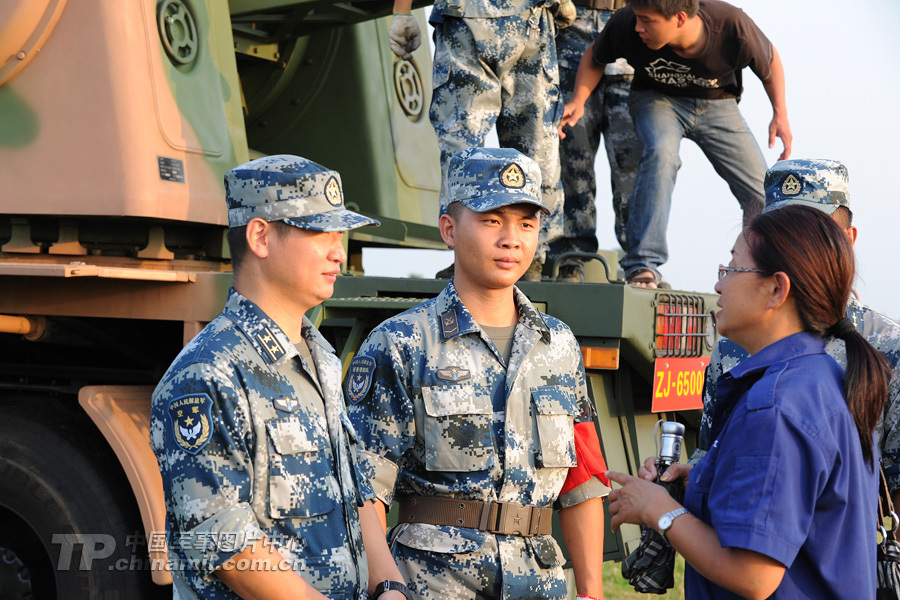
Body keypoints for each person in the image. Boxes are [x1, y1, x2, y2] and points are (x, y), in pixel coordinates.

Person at [346, 147, 610, 600]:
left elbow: (581, 480)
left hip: (540, 585)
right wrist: (386, 586)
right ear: (449, 229)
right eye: (492, 220)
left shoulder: (559, 345)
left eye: (527, 223)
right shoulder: (403, 341)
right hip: (432, 585)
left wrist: (590, 591)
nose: (512, 239)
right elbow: (363, 488)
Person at [150, 155, 408, 600]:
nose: (338, 252)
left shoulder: (319, 356)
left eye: (339, 235)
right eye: (319, 232)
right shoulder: (206, 373)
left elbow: (353, 495)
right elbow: (227, 547)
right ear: (261, 236)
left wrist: (389, 587)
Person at [605, 204, 890, 599]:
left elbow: (754, 576)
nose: (719, 285)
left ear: (776, 289)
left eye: (733, 269)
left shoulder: (777, 405)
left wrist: (659, 510)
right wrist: (701, 481)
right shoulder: (819, 379)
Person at [691, 159, 900, 504]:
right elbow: (710, 452)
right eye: (780, 232)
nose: (793, 246)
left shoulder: (887, 346)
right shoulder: (734, 345)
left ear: (847, 240)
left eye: (810, 232)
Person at [560, 0, 792, 288]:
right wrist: (578, 101)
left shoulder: (731, 25)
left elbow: (769, 62)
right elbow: (595, 56)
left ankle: (758, 269)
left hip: (717, 105)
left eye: (647, 21)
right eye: (637, 19)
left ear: (680, 18)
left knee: (762, 191)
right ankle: (643, 265)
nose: (638, 27)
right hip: (657, 99)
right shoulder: (626, 23)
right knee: (661, 154)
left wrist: (779, 113)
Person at [387, 0, 576, 280]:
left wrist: (402, 11)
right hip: (529, 19)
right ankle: (532, 258)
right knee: (537, 144)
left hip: (467, 20)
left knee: (463, 148)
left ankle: (468, 253)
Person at [551, 0, 642, 282]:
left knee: (633, 169)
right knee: (572, 162)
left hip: (633, 33)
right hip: (570, 35)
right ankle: (571, 255)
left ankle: (639, 263)